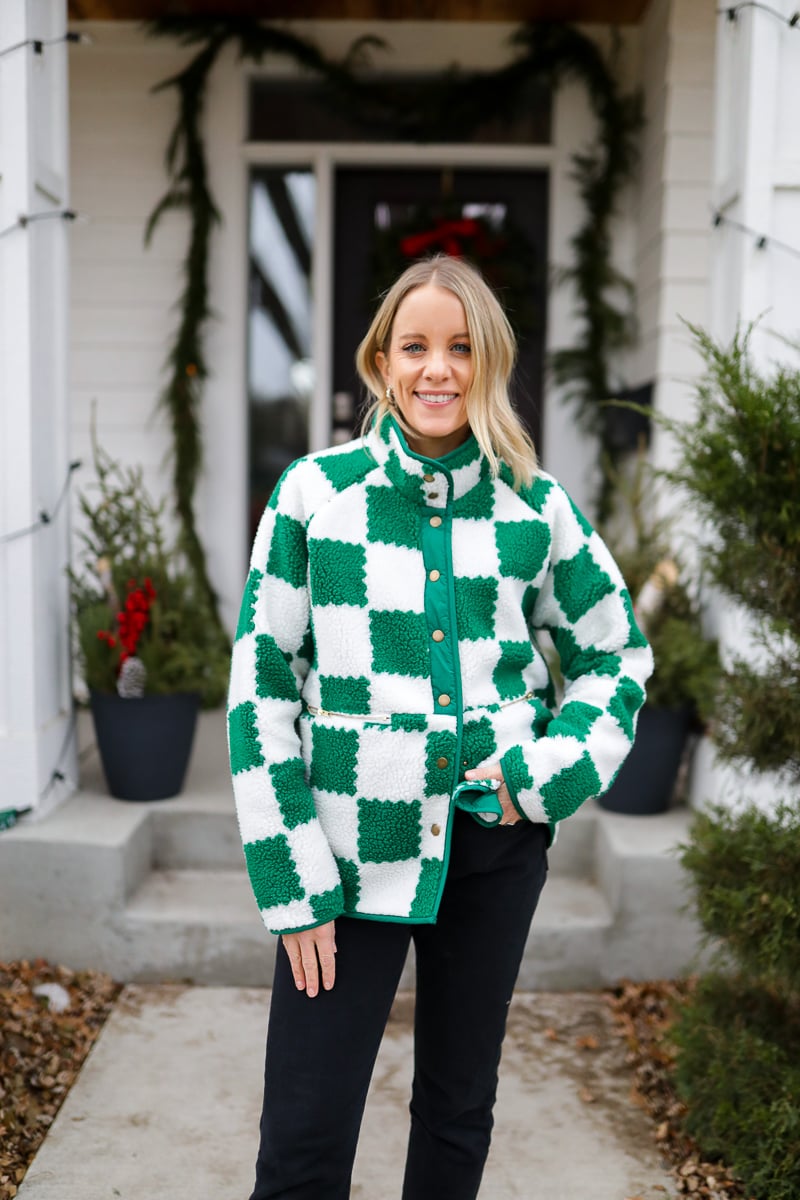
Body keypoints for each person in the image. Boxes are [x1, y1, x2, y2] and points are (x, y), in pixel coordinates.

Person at [227, 253, 653, 1200]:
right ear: (381, 361)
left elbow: (617, 654)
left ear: (489, 362)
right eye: (415, 346)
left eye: (461, 348)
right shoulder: (315, 494)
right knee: (303, 1133)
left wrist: (543, 776)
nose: (438, 369)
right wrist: (292, 877)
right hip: (346, 855)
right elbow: (261, 686)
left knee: (459, 1112)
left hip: (494, 844)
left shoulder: (535, 505)